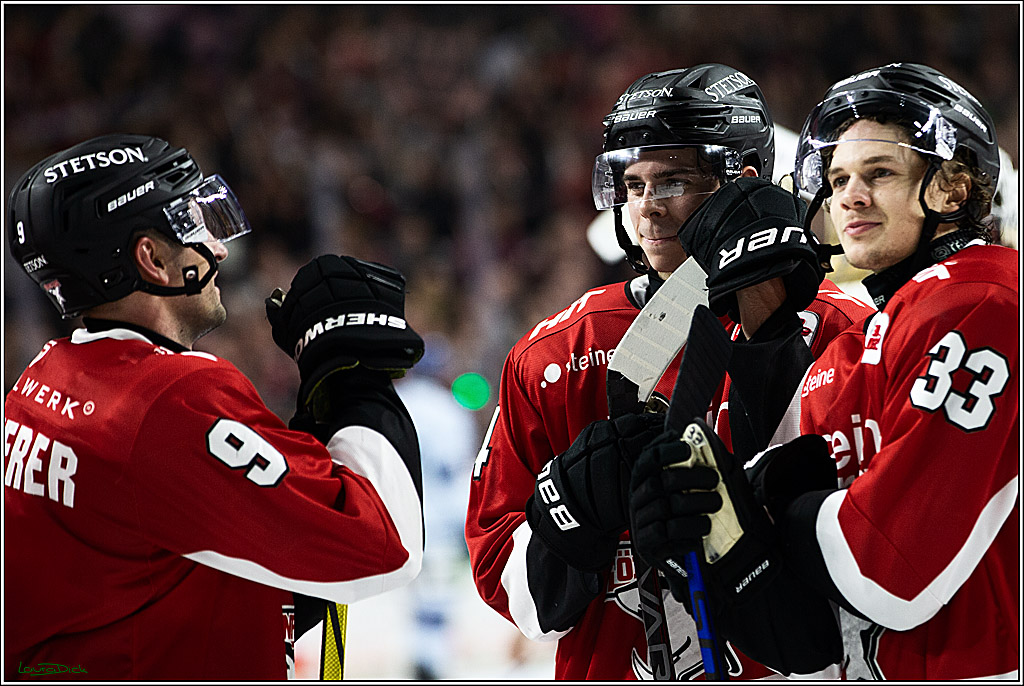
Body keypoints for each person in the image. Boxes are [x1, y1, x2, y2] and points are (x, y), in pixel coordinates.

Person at [464, 64, 874, 680]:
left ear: (745, 178)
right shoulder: (554, 355)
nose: (648, 211)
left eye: (673, 181)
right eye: (633, 186)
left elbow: (878, 555)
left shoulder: (844, 333)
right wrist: (568, 518)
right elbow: (512, 593)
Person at [636, 63, 1018, 680]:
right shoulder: (866, 338)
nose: (850, 197)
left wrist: (770, 511)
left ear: (953, 189)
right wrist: (686, 526)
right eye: (838, 178)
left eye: (880, 174)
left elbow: (887, 570)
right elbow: (786, 595)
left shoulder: (984, 302)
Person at [4, 134, 426, 680]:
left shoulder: (39, 385)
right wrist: (356, 380)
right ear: (152, 258)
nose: (219, 249)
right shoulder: (170, 400)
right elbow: (384, 547)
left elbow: (154, 567)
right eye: (191, 223)